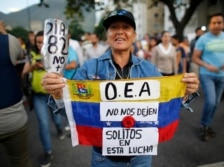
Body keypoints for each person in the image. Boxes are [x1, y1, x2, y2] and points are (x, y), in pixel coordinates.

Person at [41, 9, 199, 167]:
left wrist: (185, 93)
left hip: (141, 158)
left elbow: (165, 108)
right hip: (104, 159)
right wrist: (57, 95)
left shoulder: (149, 70)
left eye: (126, 27)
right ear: (107, 34)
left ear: (134, 35)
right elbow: (72, 112)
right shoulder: (89, 69)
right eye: (114, 27)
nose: (120, 32)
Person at [22, 31, 64, 167]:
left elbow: (60, 75)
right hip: (38, 95)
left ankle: (59, 129)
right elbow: (23, 73)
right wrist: (32, 67)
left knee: (57, 118)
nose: (40, 45)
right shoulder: (31, 55)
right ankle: (48, 151)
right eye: (38, 42)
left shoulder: (55, 55)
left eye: (43, 42)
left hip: (52, 94)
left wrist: (48, 68)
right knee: (43, 124)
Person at [192, 13, 224, 141]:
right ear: (210, 24)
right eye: (214, 22)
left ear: (223, 24)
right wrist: (206, 65)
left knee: (216, 103)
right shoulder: (203, 39)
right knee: (210, 101)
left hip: (222, 76)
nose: (216, 25)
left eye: (219, 22)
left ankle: (208, 123)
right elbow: (195, 58)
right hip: (207, 75)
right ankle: (204, 125)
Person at [0, 21, 33, 167]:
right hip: (13, 119)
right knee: (21, 160)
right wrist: (3, 32)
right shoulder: (8, 41)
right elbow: (19, 55)